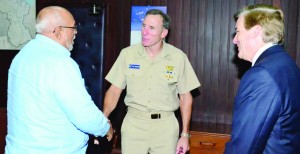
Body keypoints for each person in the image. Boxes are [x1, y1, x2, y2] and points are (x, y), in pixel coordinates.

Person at [5, 6, 113, 153]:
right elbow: (82, 113)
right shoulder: (60, 63)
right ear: (58, 31)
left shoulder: (22, 56)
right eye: (73, 27)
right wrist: (105, 128)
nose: (76, 32)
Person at [103, 9, 200, 154]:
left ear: (163, 33)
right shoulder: (127, 54)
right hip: (133, 125)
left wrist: (185, 135)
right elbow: (114, 91)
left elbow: (186, 97)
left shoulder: (178, 57)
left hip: (165, 127)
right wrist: (103, 120)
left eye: (151, 28)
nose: (144, 32)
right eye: (143, 26)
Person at [225, 4, 300, 154]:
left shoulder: (262, 75)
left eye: (238, 31)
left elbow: (245, 147)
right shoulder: (287, 63)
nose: (235, 40)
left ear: (256, 31)